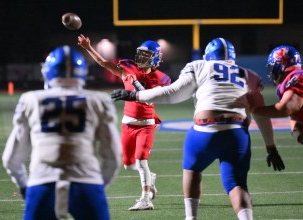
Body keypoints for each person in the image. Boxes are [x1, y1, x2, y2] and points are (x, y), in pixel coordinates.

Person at [111, 38, 285, 220]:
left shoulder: (199, 66)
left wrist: (135, 95)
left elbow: (172, 94)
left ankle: (191, 217)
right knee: (237, 185)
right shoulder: (249, 75)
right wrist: (271, 147)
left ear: (208, 54)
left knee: (192, 171)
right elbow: (260, 114)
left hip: (204, 129)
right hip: (236, 131)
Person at [2, 45, 121, 220]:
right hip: (86, 183)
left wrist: (25, 187)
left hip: (43, 183)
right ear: (82, 72)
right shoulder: (98, 100)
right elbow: (113, 156)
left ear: (48, 72)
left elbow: (10, 159)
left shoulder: (31, 99)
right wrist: (97, 187)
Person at [78, 34, 171, 211]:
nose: (141, 58)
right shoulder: (128, 68)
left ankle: (146, 199)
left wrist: (135, 83)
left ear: (155, 58)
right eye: (140, 54)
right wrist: (88, 48)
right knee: (129, 165)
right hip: (127, 123)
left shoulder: (161, 78)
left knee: (141, 159)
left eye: (146, 55)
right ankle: (149, 177)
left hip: (146, 123)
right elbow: (104, 63)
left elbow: (148, 100)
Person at [251, 45, 303, 144]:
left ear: (282, 64)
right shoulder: (285, 84)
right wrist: (297, 133)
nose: (272, 71)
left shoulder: (297, 76)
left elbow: (286, 109)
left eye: (273, 66)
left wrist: (253, 109)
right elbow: (294, 116)